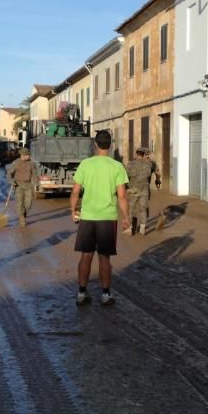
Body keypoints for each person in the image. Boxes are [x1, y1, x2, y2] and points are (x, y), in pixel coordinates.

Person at [70, 130, 129, 306]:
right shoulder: (117, 167)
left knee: (86, 256)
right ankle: (105, 295)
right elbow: (122, 196)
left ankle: (81, 294)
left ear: (95, 144)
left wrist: (73, 211)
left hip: (87, 217)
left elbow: (75, 192)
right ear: (110, 145)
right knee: (104, 258)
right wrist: (126, 216)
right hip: (107, 218)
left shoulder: (85, 165)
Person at [125, 146, 160, 236]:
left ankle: (130, 229)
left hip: (132, 190)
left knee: (131, 210)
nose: (147, 156)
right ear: (145, 155)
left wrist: (125, 187)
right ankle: (142, 229)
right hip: (144, 190)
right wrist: (158, 180)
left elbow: (125, 177)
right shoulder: (150, 164)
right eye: (147, 155)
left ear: (137, 154)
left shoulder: (130, 164)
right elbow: (158, 173)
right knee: (143, 209)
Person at [6, 147, 38, 227]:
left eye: (29, 155)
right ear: (22, 155)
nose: (29, 156)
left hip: (28, 185)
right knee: (20, 203)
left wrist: (36, 183)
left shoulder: (31, 163)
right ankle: (22, 218)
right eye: (27, 155)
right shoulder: (16, 163)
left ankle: (23, 214)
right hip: (18, 185)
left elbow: (34, 174)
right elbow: (9, 174)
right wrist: (11, 181)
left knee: (28, 204)